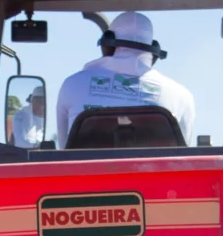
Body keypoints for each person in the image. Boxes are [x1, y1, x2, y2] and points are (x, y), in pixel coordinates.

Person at [57, 11, 196, 145]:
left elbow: (64, 151)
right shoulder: (181, 96)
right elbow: (180, 157)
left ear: (106, 45)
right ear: (153, 52)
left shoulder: (73, 85)